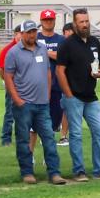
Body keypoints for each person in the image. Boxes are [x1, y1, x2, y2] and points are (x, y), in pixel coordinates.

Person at [1, 20, 65, 185]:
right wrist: (17, 99)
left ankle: (54, 173)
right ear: (22, 34)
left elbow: (48, 73)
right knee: (23, 139)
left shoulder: (42, 49)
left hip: (42, 103)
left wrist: (48, 94)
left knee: (49, 138)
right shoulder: (13, 53)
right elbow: (8, 77)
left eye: (33, 31)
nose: (31, 35)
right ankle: (27, 172)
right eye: (28, 32)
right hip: (24, 104)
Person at [53, 8, 100, 181]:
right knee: (76, 134)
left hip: (90, 95)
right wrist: (68, 94)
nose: (85, 25)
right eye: (81, 22)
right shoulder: (67, 44)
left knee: (99, 131)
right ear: (75, 23)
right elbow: (59, 71)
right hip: (74, 96)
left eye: (87, 21)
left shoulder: (94, 42)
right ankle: (79, 171)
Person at [37, 9, 68, 146]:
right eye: (45, 20)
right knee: (37, 117)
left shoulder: (61, 39)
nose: (48, 22)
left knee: (55, 118)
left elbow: (63, 57)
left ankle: (52, 140)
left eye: (50, 20)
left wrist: (44, 51)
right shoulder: (35, 37)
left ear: (54, 21)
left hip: (56, 84)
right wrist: (52, 53)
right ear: (41, 21)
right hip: (37, 85)